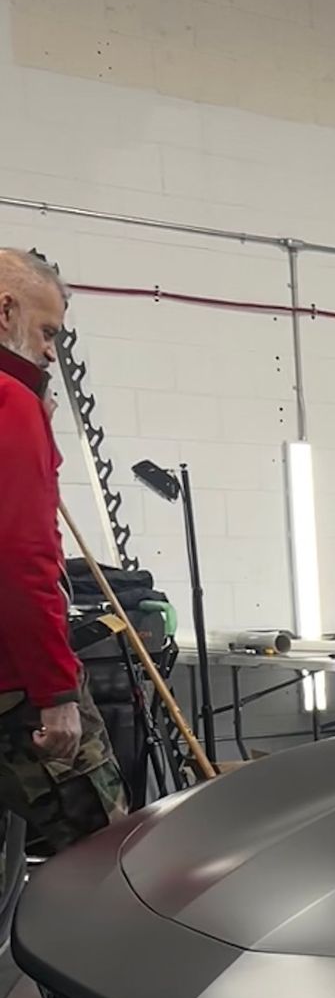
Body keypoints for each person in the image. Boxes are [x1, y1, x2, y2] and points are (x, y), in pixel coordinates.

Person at [0, 248, 124, 853]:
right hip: (15, 688)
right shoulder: (10, 401)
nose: (50, 351)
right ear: (6, 311)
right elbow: (21, 561)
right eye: (47, 332)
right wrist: (54, 695)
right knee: (112, 861)